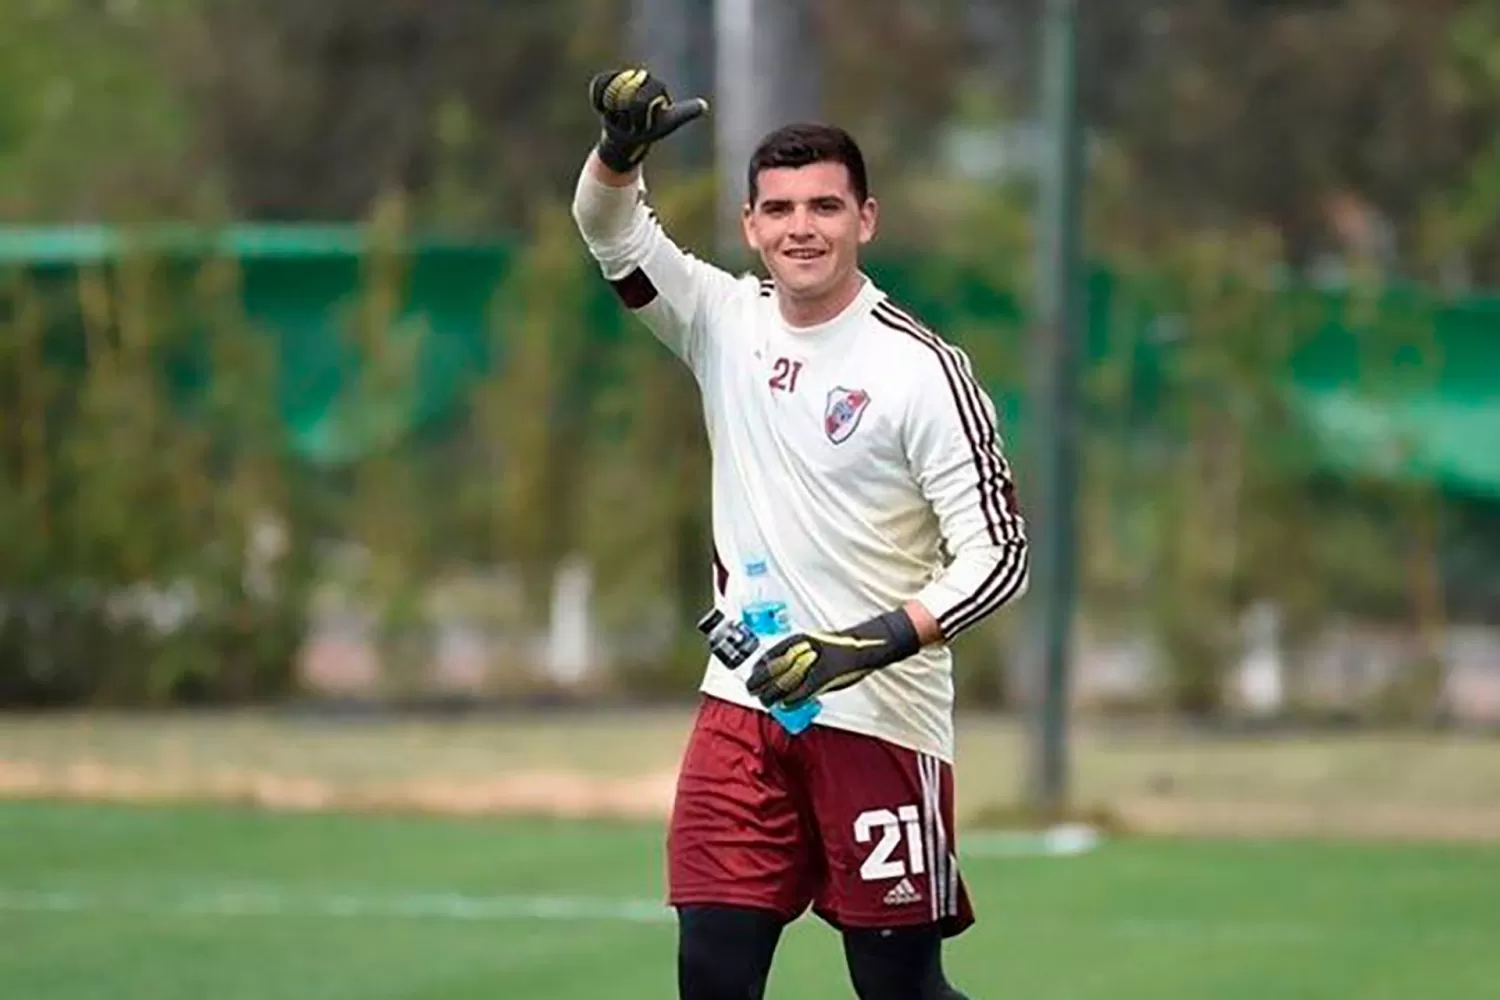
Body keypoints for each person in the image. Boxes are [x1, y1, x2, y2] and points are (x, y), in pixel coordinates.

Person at [571, 67, 1029, 1000]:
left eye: (825, 205)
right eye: (778, 209)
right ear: (750, 226)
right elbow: (609, 229)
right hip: (741, 711)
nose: (801, 227)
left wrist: (859, 646)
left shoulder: (923, 371)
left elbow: (999, 557)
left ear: (867, 219)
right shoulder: (720, 322)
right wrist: (619, 154)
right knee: (711, 975)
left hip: (878, 722)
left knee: (898, 989)